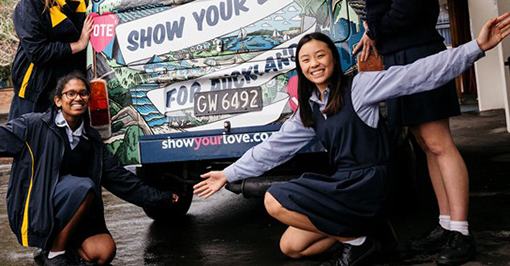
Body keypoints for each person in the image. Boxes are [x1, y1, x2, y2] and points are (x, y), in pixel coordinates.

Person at [193, 13, 510, 266]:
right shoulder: (310, 109)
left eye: (321, 55)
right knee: (291, 247)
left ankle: (357, 241)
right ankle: (366, 234)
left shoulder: (359, 87)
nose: (315, 63)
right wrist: (228, 173)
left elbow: (416, 74)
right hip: (343, 184)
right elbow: (271, 150)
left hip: (372, 182)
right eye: (306, 60)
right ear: (300, 69)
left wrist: (476, 48)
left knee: (273, 199)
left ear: (333, 58)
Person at [0, 71, 179, 266]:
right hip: (41, 206)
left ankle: (61, 249)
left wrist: (163, 198)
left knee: (103, 250)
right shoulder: (33, 126)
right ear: (57, 100)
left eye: (83, 93)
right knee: (84, 186)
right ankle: (54, 252)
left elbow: (121, 180)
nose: (77, 98)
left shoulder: (91, 140)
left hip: (75, 212)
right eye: (70, 93)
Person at [348, 0, 478, 265]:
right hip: (400, 59)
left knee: (440, 143)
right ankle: (446, 223)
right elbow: (389, 15)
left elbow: (404, 12)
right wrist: (373, 34)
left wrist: (377, 30)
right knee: (425, 145)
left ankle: (462, 233)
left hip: (420, 55)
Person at [9, 0, 94, 120]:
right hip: (37, 91)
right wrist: (78, 45)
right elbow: (37, 52)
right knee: (34, 144)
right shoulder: (29, 4)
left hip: (71, 86)